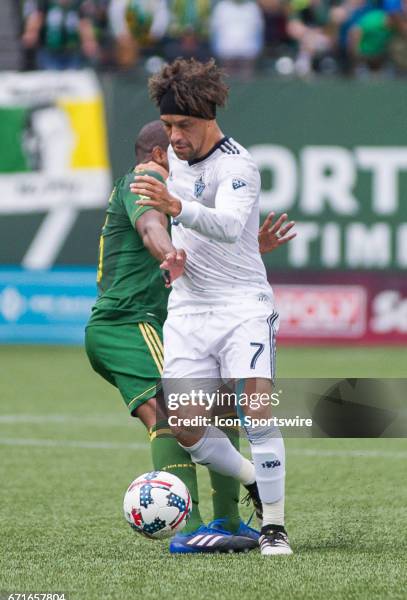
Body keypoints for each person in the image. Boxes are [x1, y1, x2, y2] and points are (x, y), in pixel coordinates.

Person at [86, 119, 296, 554]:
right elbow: (152, 229)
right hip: (132, 321)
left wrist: (248, 248)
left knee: (215, 409)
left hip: (156, 320)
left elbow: (204, 243)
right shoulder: (143, 179)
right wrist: (169, 253)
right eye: (176, 146)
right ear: (159, 154)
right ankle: (191, 525)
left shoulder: (185, 186)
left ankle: (230, 519)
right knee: (171, 413)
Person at [131, 58, 294, 555]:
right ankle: (251, 478)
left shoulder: (238, 164)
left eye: (183, 125)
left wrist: (176, 206)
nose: (174, 136)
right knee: (184, 425)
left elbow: (225, 226)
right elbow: (171, 227)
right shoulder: (170, 161)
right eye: (169, 126)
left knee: (256, 408)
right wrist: (171, 257)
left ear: (207, 116)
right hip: (188, 310)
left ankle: (274, 528)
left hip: (242, 305)